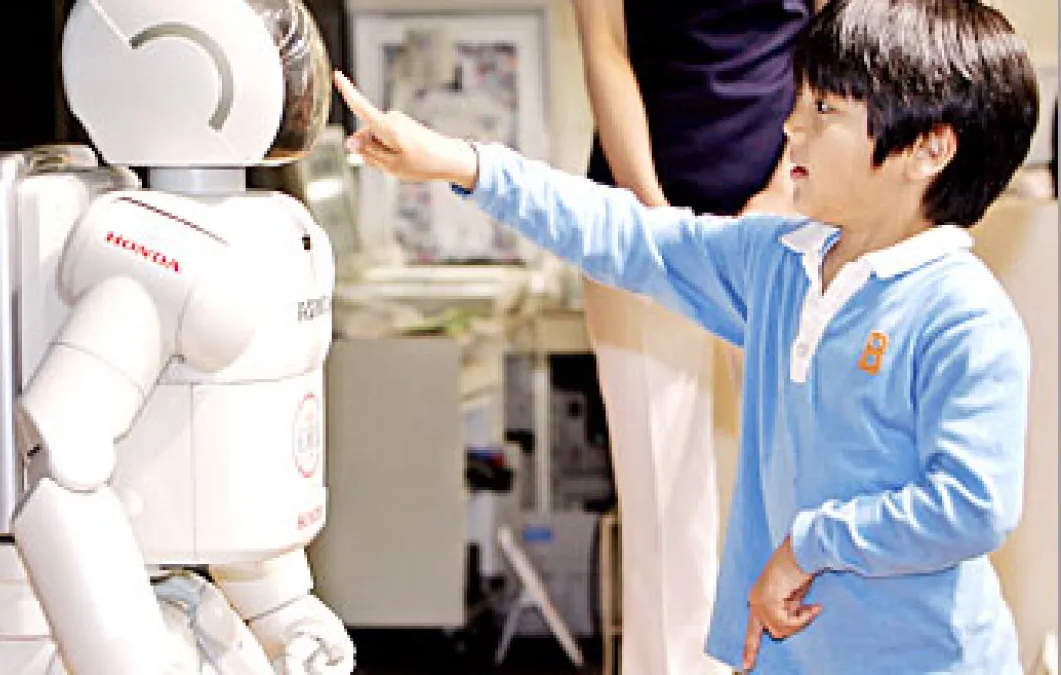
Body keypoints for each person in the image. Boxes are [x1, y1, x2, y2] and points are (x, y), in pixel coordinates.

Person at [333, 0, 1040, 670]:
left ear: (928, 149)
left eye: (824, 109)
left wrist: (809, 545)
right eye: (798, 100)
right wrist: (462, 163)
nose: (791, 126)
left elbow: (970, 505)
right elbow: (626, 235)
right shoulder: (778, 266)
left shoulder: (963, 314)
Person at [572, 1, 808, 671]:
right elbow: (605, 50)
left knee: (800, 491)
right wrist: (654, 218)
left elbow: (834, 48)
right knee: (664, 507)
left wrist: (785, 188)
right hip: (639, 227)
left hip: (785, 224)